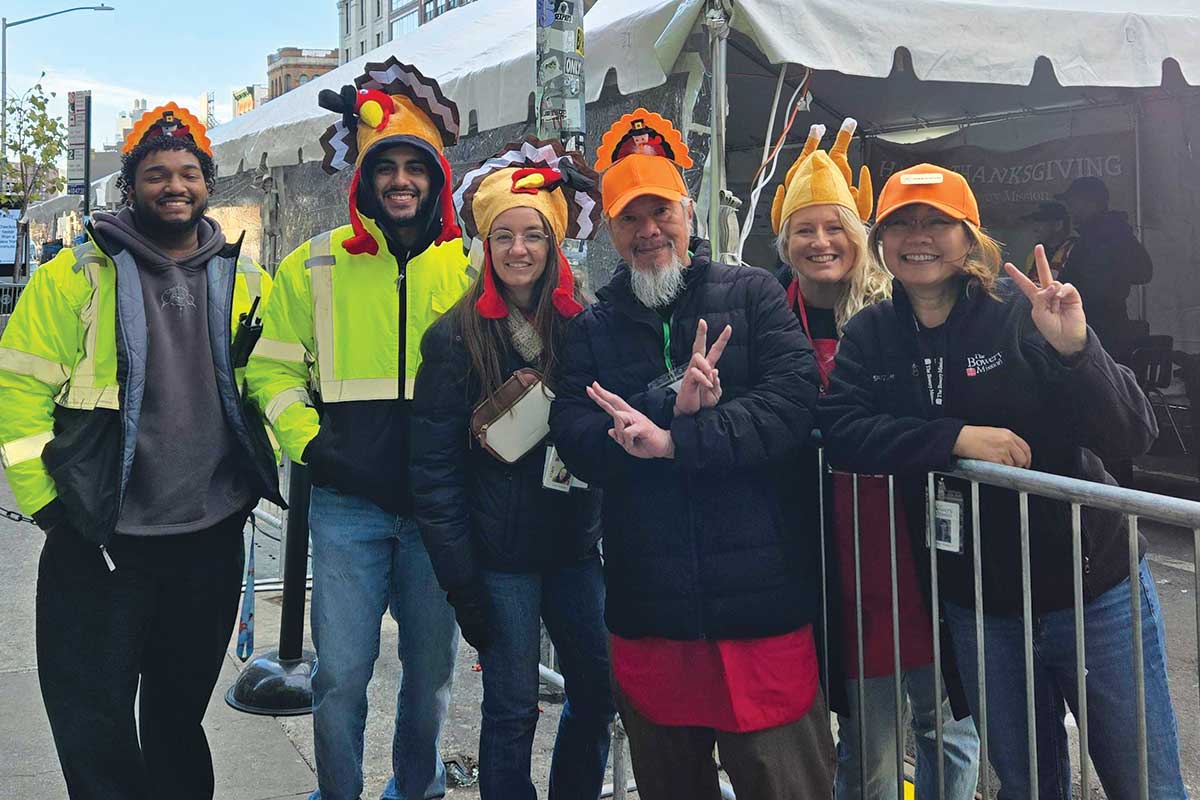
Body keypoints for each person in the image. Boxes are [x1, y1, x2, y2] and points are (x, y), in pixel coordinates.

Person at [820, 163, 1188, 799]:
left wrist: (1078, 351)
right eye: (901, 223)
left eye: (937, 222)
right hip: (979, 606)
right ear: (880, 241)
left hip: (1092, 591)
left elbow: (1133, 432)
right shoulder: (871, 333)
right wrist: (952, 439)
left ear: (970, 237)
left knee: (1146, 782)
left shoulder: (1021, 312)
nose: (919, 236)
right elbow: (842, 430)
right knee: (1026, 786)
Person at [549, 108, 834, 799]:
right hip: (654, 613)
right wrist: (659, 407)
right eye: (630, 218)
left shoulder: (754, 294)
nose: (648, 231)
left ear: (687, 211)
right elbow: (578, 436)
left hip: (759, 611)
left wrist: (683, 439)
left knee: (787, 784)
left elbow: (796, 404)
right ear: (610, 232)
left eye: (660, 211)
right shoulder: (591, 330)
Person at [0, 102, 282, 799]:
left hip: (209, 542)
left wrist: (255, 476)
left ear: (208, 182)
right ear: (132, 185)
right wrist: (52, 512)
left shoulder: (246, 279)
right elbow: (16, 398)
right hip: (100, 542)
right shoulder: (72, 278)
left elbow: (272, 382)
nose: (174, 185)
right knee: (92, 727)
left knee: (177, 721)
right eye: (156, 174)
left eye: (188, 172)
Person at [245, 58, 470, 800]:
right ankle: (337, 793)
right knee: (340, 671)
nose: (401, 180)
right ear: (365, 178)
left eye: (416, 167)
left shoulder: (468, 266)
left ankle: (417, 787)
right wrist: (314, 445)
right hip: (347, 505)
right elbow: (270, 373)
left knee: (431, 670)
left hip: (440, 505)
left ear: (436, 180)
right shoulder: (314, 264)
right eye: (387, 167)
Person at [773, 124, 980, 799]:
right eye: (805, 230)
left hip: (918, 546)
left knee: (947, 723)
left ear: (860, 237)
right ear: (786, 245)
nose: (821, 242)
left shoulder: (898, 316)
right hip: (835, 559)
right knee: (868, 734)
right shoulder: (767, 319)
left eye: (835, 226)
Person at [411, 138, 615, 799]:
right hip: (499, 559)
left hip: (574, 547)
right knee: (508, 707)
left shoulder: (583, 326)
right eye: (505, 236)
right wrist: (461, 583)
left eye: (533, 235)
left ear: (553, 244)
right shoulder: (452, 337)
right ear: (486, 247)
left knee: (597, 689)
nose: (520, 249)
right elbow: (435, 473)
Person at [1056, 175, 1153, 362]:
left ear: (1090, 203)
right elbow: (1144, 272)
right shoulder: (1114, 232)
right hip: (1108, 328)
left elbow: (1143, 272)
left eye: (1073, 203)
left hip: (1098, 333)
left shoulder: (1100, 236)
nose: (1070, 209)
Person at [1020, 201, 1076, 278]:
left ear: (1058, 225)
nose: (1035, 229)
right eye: (1034, 223)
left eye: (1040, 223)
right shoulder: (1034, 254)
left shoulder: (1074, 251)